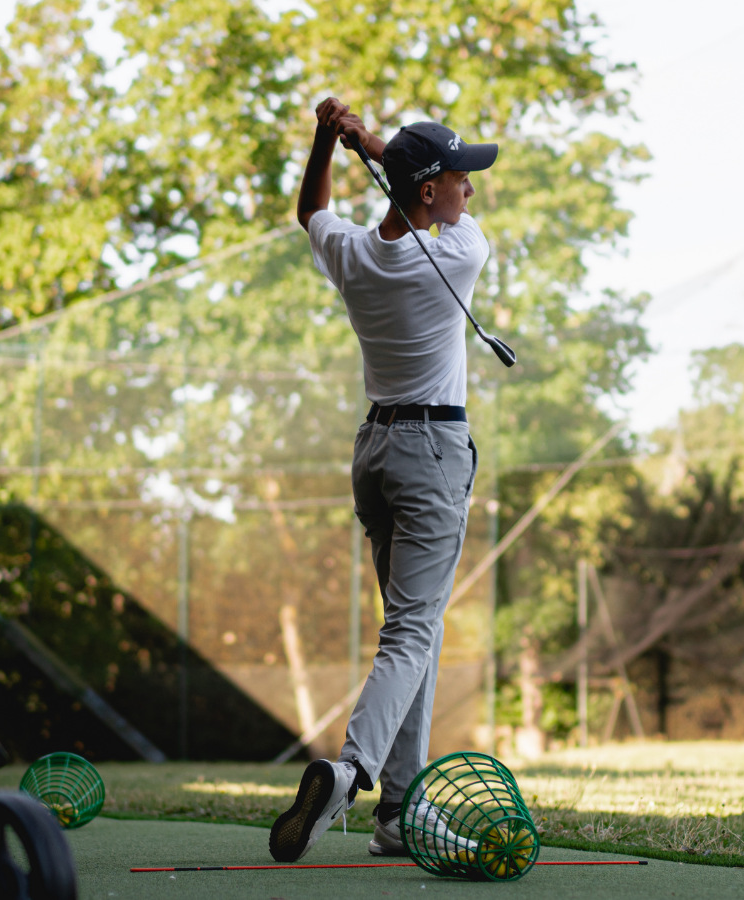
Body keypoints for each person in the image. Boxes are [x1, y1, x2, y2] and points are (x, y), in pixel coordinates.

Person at [271, 98, 496, 863]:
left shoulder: (352, 254)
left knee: (414, 631)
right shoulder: (460, 253)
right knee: (411, 631)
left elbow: (313, 208)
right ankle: (352, 771)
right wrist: (369, 140)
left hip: (374, 451)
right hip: (432, 453)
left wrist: (326, 142)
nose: (471, 189)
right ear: (431, 191)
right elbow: (437, 217)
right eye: (461, 177)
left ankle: (400, 815)